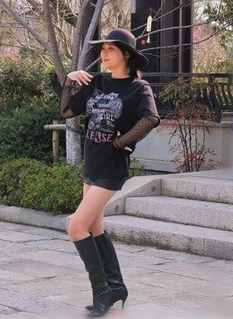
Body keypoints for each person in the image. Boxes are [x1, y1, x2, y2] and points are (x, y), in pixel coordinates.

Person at [59, 28, 160, 317]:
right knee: (94, 228)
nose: (103, 53)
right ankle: (116, 287)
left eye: (110, 49)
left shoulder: (138, 88)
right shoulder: (97, 82)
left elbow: (151, 118)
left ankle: (101, 291)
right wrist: (69, 81)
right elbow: (67, 111)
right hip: (92, 164)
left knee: (76, 227)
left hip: (111, 168)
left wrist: (122, 142)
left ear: (125, 55)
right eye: (102, 49)